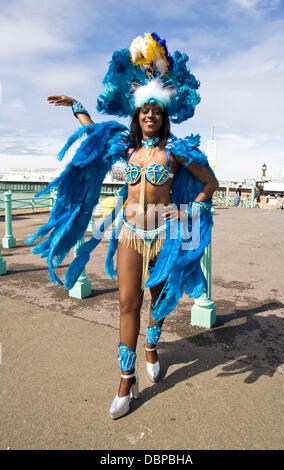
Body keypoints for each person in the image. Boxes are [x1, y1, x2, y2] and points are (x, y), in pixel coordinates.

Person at [26, 33, 218, 420]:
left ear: (164, 115)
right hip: (130, 233)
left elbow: (211, 183)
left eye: (156, 111)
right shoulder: (126, 149)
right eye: (144, 110)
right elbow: (94, 134)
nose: (150, 115)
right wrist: (76, 106)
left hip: (164, 236)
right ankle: (126, 382)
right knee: (127, 302)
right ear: (137, 115)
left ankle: (151, 343)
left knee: (158, 303)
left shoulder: (177, 153)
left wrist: (187, 213)